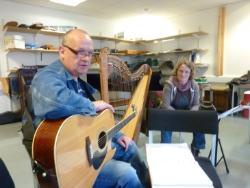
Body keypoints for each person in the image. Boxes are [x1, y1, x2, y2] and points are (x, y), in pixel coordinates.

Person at [31, 29, 148, 187]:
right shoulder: (46, 77)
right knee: (127, 174)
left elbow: (93, 121)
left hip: (91, 146)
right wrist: (91, 105)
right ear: (62, 51)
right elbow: (55, 100)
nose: (87, 59)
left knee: (131, 148)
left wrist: (117, 134)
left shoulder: (81, 84)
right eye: (80, 52)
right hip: (73, 163)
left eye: (90, 53)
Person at [160, 59, 205, 156]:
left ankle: (196, 149)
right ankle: (165, 149)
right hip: (171, 111)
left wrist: (190, 114)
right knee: (165, 123)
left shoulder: (195, 85)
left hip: (187, 111)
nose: (183, 74)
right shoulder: (169, 84)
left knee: (200, 120)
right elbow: (165, 105)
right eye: (181, 71)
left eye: (186, 72)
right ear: (176, 71)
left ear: (190, 74)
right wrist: (178, 115)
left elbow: (196, 105)